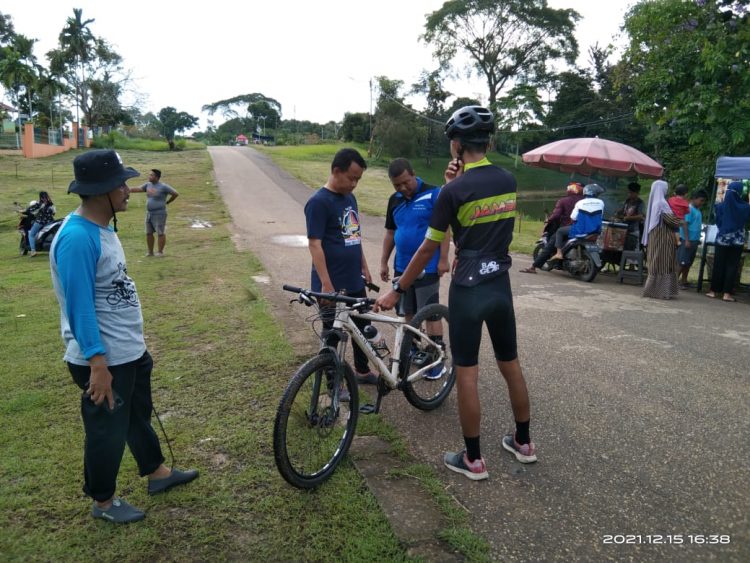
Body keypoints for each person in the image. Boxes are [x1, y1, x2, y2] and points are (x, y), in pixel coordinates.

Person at [375, 106, 537, 481]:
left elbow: (428, 249)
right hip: (500, 284)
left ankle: (474, 460)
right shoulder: (508, 179)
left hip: (468, 287)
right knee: (510, 363)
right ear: (490, 142)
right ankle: (524, 443)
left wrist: (398, 289)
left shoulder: (453, 191)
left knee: (467, 372)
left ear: (456, 144)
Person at [50, 150, 198, 523]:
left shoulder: (102, 228)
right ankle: (103, 502)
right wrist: (98, 363)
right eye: (121, 184)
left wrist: (136, 345)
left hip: (127, 351)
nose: (130, 189)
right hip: (103, 360)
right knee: (106, 431)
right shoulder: (77, 238)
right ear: (102, 192)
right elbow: (79, 306)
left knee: (136, 416)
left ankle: (156, 472)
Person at [304, 148, 377, 388]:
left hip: (354, 280)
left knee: (361, 328)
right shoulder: (318, 203)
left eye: (358, 179)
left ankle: (362, 371)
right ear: (337, 171)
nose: (354, 184)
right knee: (332, 334)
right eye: (352, 178)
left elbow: (354, 236)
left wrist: (364, 266)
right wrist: (326, 284)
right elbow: (314, 244)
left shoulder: (350, 198)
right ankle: (333, 383)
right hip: (331, 284)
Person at [380, 158, 450, 379]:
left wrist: (443, 259)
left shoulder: (434, 194)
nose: (402, 188)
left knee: (430, 312)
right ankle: (412, 349)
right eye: (397, 185)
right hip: (401, 266)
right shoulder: (395, 200)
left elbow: (445, 229)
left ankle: (436, 357)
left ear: (414, 174)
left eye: (405, 182)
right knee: (407, 312)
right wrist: (383, 261)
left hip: (428, 267)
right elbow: (390, 233)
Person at [519, 182, 583, 273]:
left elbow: (556, 215)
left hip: (566, 227)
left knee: (549, 246)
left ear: (570, 190)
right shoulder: (585, 201)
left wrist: (548, 220)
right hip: (583, 228)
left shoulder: (564, 201)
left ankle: (533, 267)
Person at [706, 181, 750, 302]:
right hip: (738, 241)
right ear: (740, 192)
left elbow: (718, 222)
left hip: (722, 239)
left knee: (718, 264)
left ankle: (713, 291)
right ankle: (727, 294)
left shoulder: (720, 206)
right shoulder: (746, 207)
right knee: (732, 266)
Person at [641, 180, 681, 299]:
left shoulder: (653, 202)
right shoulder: (662, 203)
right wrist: (680, 221)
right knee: (663, 262)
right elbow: (672, 221)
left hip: (654, 236)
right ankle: (662, 292)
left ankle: (652, 290)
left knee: (654, 261)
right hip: (663, 238)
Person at [129, 169, 179, 256]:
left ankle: (160, 252)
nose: (149, 176)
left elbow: (175, 193)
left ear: (157, 177)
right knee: (148, 233)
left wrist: (168, 202)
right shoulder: (148, 185)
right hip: (149, 213)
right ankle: (150, 252)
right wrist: (127, 189)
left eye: (151, 175)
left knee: (160, 232)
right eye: (149, 175)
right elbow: (139, 188)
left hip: (159, 213)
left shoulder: (163, 186)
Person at [550, 184, 605, 261]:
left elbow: (573, 217)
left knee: (560, 231)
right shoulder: (601, 202)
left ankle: (559, 253)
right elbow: (600, 215)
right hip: (596, 230)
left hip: (581, 230)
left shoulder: (580, 202)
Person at [677, 189, 708, 289]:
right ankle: (673, 282)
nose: (702, 203)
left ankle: (684, 281)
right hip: (687, 240)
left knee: (688, 262)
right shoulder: (689, 209)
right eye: (701, 200)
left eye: (703, 201)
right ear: (694, 199)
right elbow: (685, 224)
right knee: (682, 262)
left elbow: (695, 225)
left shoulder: (697, 210)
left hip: (694, 240)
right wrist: (686, 240)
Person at [614, 182, 644, 250]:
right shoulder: (627, 201)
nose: (629, 194)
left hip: (633, 232)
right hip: (624, 230)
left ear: (636, 193)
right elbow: (623, 210)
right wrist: (618, 213)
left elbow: (640, 216)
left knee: (630, 251)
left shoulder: (640, 203)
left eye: (631, 193)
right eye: (629, 192)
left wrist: (628, 218)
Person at [26, 191, 56, 257]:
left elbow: (29, 210)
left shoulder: (39, 204)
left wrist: (26, 210)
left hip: (40, 222)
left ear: (41, 197)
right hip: (50, 222)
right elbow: (54, 213)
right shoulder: (51, 204)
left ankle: (33, 250)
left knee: (31, 234)